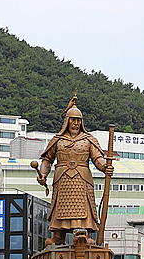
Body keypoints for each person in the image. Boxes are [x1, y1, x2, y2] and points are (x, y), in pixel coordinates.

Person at [35, 96, 113, 246]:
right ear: (67, 121)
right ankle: (58, 236)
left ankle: (84, 233)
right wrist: (43, 174)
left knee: (83, 205)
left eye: (78, 121)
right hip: (62, 179)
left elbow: (97, 158)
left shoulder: (89, 140)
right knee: (61, 207)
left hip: (82, 179)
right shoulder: (58, 140)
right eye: (73, 120)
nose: (76, 124)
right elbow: (47, 160)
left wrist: (105, 167)